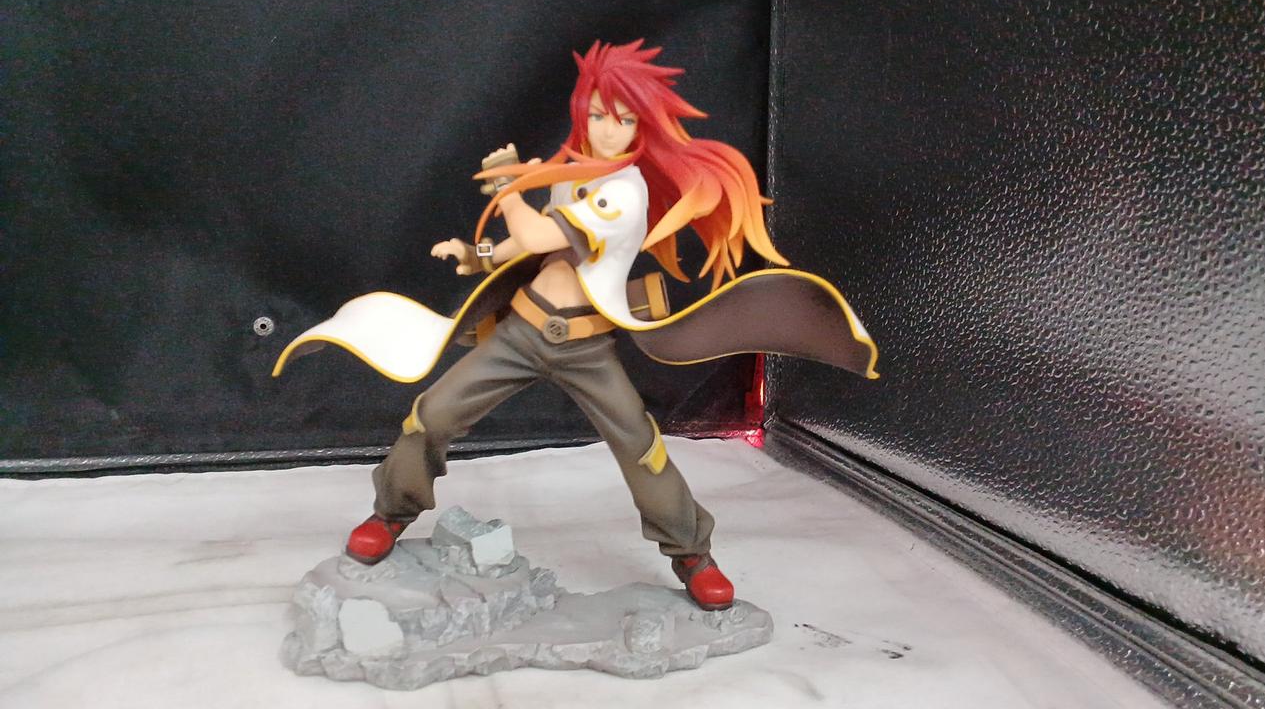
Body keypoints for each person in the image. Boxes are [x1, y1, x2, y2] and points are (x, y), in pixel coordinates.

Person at [273, 40, 879, 612]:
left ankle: (692, 553)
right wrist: (475, 255)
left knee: (641, 449)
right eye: (597, 115)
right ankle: (391, 512)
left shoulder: (625, 192)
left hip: (586, 346)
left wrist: (509, 187)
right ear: (580, 113)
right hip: (522, 332)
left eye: (624, 119)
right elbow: (523, 247)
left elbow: (540, 232)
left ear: (642, 128)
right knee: (431, 415)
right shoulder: (570, 175)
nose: (608, 130)